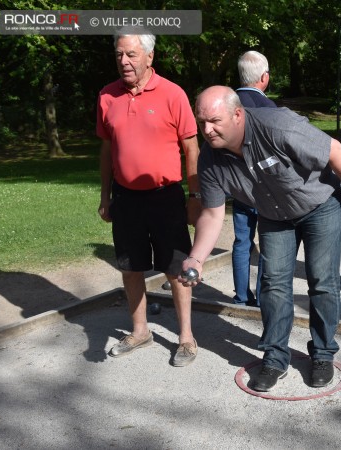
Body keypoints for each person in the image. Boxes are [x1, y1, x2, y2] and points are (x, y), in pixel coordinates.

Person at [182, 86, 341, 392]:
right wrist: (196, 258)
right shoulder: (210, 160)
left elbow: (333, 149)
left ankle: (322, 354)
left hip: (319, 205)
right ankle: (275, 356)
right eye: (201, 122)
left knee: (322, 281)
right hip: (274, 215)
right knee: (273, 283)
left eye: (214, 121)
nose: (206, 129)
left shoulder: (276, 126)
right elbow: (212, 215)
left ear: (237, 114)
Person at [97, 29, 200, 367]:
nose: (124, 62)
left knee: (177, 268)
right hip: (125, 198)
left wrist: (195, 194)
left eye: (131, 55)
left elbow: (191, 148)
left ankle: (186, 337)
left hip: (165, 196)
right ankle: (140, 331)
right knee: (130, 266)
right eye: (119, 55)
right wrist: (105, 197)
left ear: (149, 57)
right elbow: (107, 150)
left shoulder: (173, 94)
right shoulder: (107, 96)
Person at [230, 50, 277, 307]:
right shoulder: (269, 108)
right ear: (264, 77)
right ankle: (261, 296)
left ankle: (240, 295)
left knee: (242, 241)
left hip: (238, 184)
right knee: (267, 241)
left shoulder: (228, 104)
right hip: (266, 187)